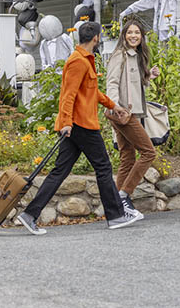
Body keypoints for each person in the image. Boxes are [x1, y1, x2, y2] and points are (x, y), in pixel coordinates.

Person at [17, 21, 143, 235]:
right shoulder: (78, 62)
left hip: (76, 125)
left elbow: (91, 92)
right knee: (103, 167)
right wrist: (66, 123)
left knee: (60, 171)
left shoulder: (85, 60)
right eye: (100, 35)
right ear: (95, 38)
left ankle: (30, 214)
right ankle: (116, 215)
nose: (100, 38)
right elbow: (68, 95)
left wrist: (114, 106)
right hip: (80, 125)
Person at [106, 17, 160, 213]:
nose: (133, 36)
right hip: (122, 113)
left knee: (127, 157)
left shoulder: (136, 56)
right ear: (124, 35)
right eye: (130, 32)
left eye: (137, 33)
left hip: (129, 112)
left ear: (141, 36)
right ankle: (124, 194)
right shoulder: (119, 55)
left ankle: (117, 207)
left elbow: (134, 83)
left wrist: (148, 76)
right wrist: (116, 106)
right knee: (149, 152)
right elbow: (111, 83)